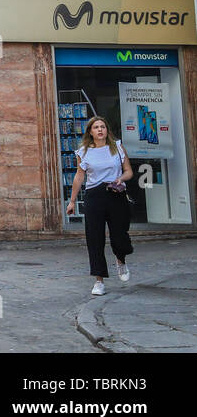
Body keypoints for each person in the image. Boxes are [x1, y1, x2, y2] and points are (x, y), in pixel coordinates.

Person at [67, 116, 134, 295]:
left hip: (115, 193)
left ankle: (121, 260)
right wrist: (72, 201)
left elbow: (129, 171)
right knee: (94, 238)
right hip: (94, 196)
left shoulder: (117, 147)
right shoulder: (84, 152)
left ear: (106, 130)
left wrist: (121, 178)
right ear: (90, 131)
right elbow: (79, 177)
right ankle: (99, 280)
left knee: (120, 235)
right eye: (96, 127)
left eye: (102, 126)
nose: (100, 130)